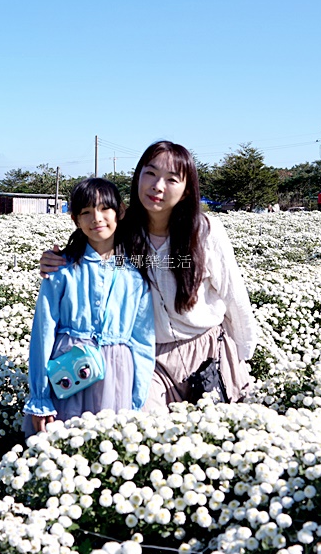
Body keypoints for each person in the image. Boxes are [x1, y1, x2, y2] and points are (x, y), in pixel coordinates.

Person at [40, 141, 258, 413]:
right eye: (151, 173)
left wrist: (242, 358)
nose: (157, 186)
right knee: (147, 436)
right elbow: (91, 254)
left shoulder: (205, 231)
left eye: (172, 179)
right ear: (138, 175)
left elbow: (235, 296)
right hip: (148, 356)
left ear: (186, 189)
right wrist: (59, 260)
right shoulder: (124, 230)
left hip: (207, 350)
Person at [24, 178, 155, 435]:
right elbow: (43, 333)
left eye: (105, 208)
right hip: (68, 368)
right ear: (75, 219)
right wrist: (40, 399)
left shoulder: (135, 273)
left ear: (121, 212)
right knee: (61, 446)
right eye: (86, 212)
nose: (96, 218)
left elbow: (143, 341)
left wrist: (137, 401)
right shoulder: (61, 269)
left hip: (116, 371)